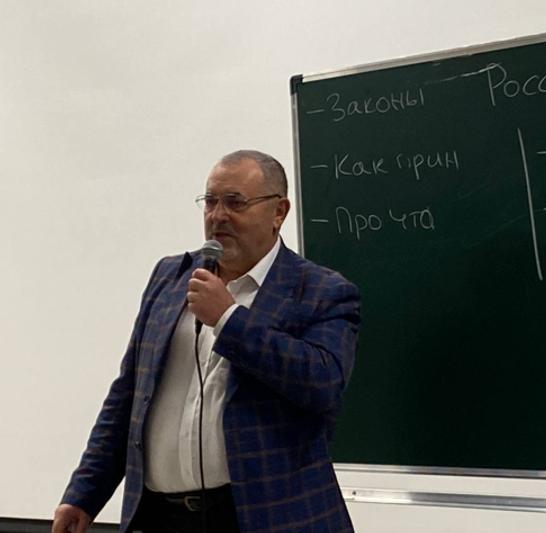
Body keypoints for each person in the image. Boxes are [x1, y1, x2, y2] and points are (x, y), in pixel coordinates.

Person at [52, 150, 361, 533]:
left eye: (235, 202)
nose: (218, 215)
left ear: (278, 212)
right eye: (210, 201)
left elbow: (322, 383)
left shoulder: (320, 291)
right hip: (163, 517)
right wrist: (84, 493)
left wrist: (228, 320)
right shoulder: (171, 277)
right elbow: (129, 395)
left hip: (267, 518)